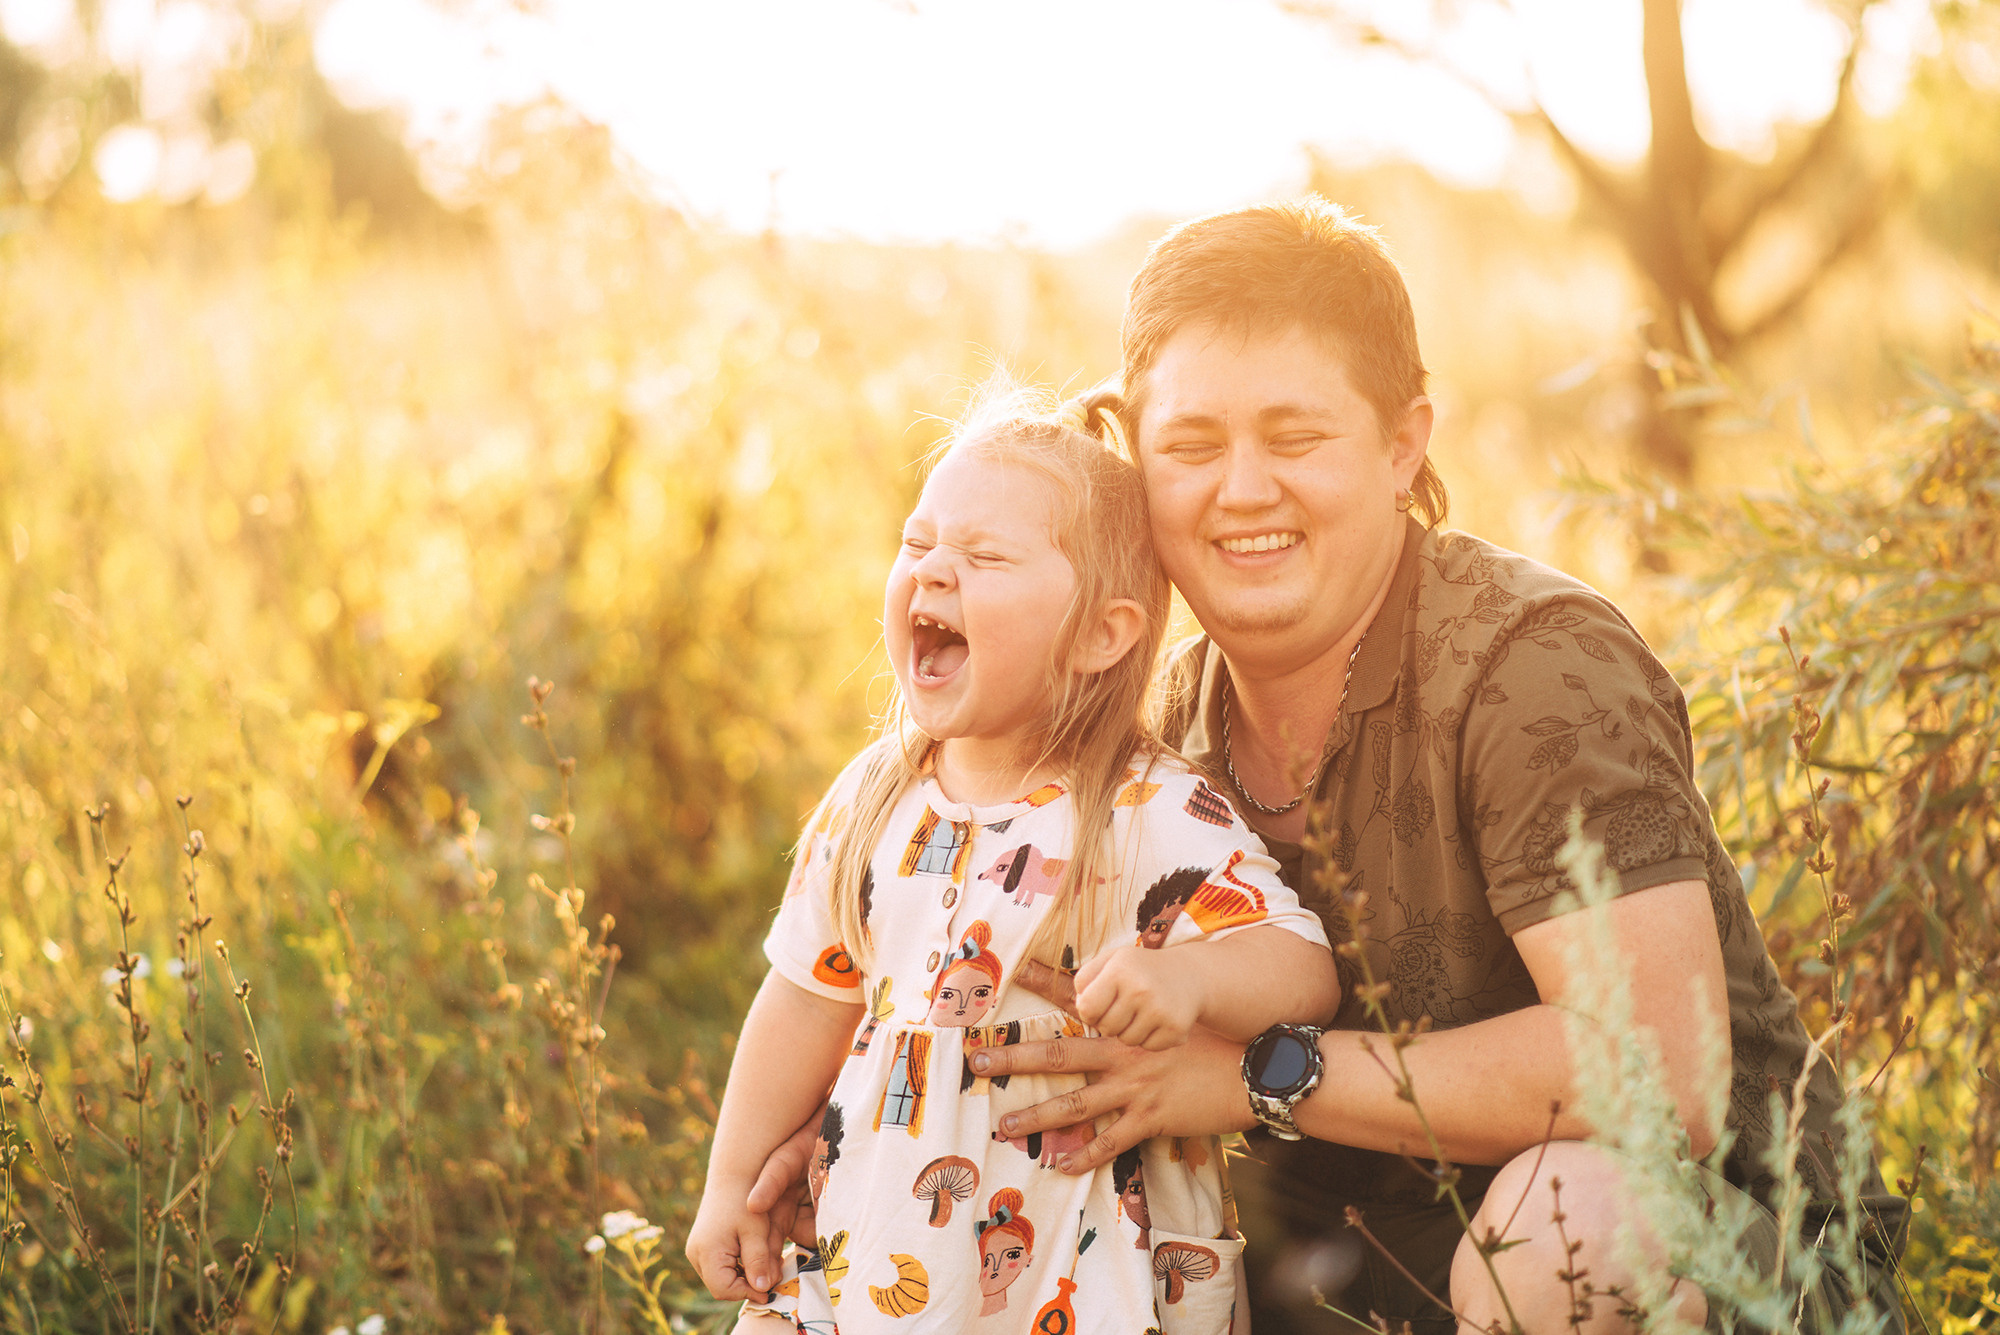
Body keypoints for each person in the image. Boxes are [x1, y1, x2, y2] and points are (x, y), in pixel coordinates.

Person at [747, 200, 1907, 1335]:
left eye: (1294, 437)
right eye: (1190, 446)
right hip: (1325, 1281)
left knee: (1567, 1233)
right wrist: (876, 1141)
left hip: (1723, 1268)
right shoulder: (1139, 736)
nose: (1242, 489)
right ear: (1131, 454)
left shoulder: (1535, 669)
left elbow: (1660, 1074)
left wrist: (1255, 1075)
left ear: (1403, 442)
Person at [685, 387, 1340, 1333]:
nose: (934, 572)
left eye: (984, 557)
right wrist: (729, 1183)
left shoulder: (1143, 805)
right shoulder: (878, 793)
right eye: (918, 545)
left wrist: (1191, 977)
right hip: (870, 1237)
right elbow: (802, 996)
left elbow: (1303, 967)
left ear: (1099, 635)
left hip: (1073, 1256)